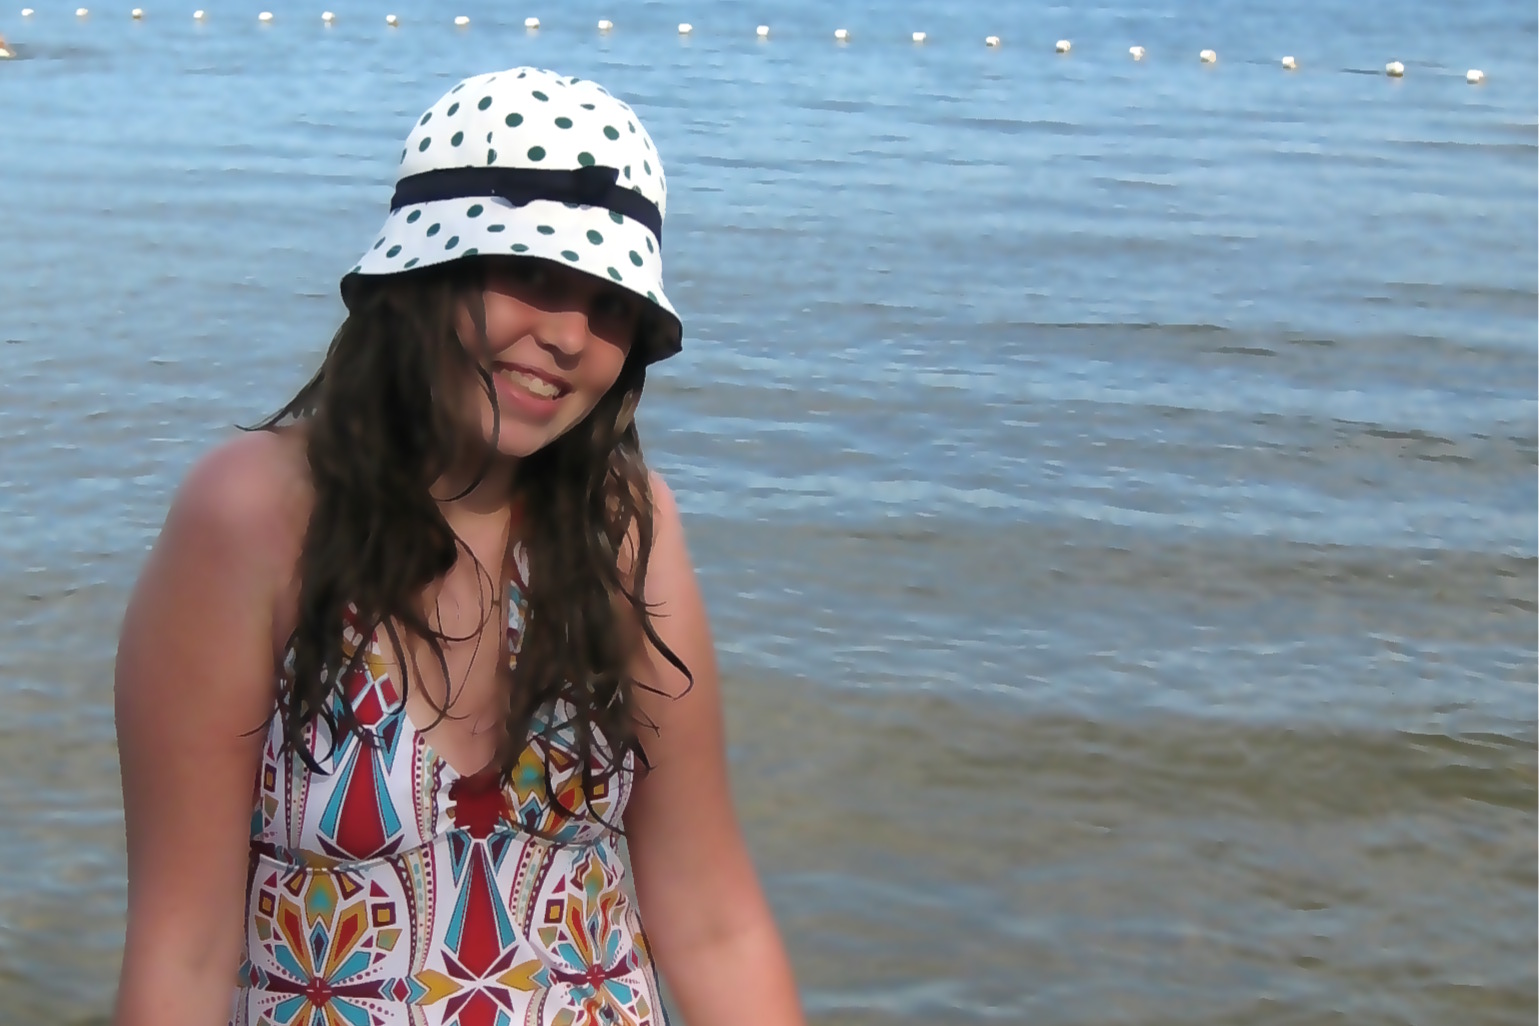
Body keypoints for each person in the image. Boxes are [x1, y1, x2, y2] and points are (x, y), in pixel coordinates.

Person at [112, 66, 805, 1026]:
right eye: (530, 275)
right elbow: (182, 948)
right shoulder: (254, 517)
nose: (567, 334)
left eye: (609, 303)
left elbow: (712, 918)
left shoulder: (626, 530)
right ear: (418, 278)